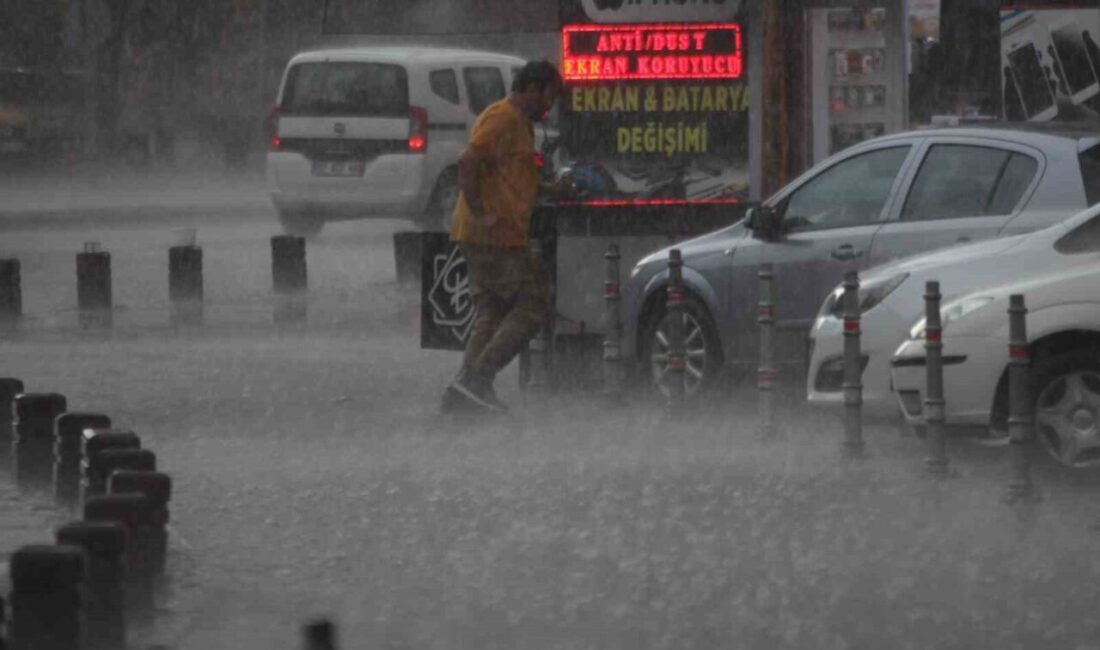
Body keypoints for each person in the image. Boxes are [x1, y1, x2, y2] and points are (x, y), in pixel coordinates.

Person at [442, 60, 571, 413]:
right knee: (535, 301)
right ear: (531, 88)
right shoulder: (502, 117)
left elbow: (512, 178)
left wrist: (548, 189)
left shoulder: (521, 125)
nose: (549, 107)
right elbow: (468, 161)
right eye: (548, 97)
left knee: (494, 308)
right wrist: (481, 212)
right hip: (491, 235)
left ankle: (463, 391)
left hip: (494, 234)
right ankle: (479, 378)